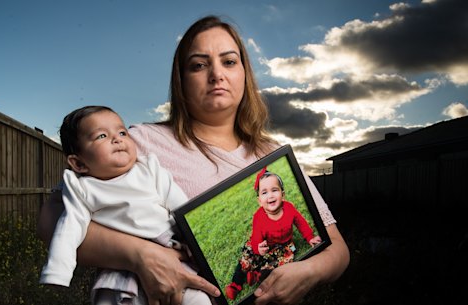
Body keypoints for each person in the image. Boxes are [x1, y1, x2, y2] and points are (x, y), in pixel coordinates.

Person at [38, 15, 349, 305]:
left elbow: (337, 250)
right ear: (181, 81)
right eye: (199, 65)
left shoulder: (273, 155)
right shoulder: (141, 141)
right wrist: (140, 255)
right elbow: (52, 219)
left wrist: (309, 272)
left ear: (244, 73)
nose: (217, 75)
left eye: (229, 61)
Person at [39, 105, 211, 305]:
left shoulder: (149, 169)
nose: (117, 139)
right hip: (118, 271)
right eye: (101, 136)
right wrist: (57, 272)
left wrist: (199, 239)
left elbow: (182, 207)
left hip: (171, 253)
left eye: (122, 132)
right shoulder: (82, 188)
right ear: (78, 164)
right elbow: (68, 228)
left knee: (198, 300)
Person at [224, 169, 322, 300]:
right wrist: (258, 248)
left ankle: (258, 274)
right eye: (264, 192)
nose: (270, 195)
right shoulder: (258, 217)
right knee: (247, 255)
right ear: (259, 200)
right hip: (263, 245)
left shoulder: (289, 208)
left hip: (285, 245)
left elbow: (300, 222)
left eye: (274, 190)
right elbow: (256, 238)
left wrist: (310, 237)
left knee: (286, 259)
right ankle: (236, 283)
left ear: (283, 194)